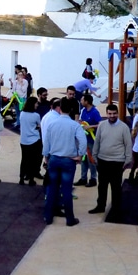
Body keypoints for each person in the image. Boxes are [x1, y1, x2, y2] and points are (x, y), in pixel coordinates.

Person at [42, 97, 87, 227]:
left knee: (52, 189)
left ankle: (48, 217)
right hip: (68, 160)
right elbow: (82, 141)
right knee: (66, 190)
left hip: (54, 159)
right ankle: (69, 218)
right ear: (71, 109)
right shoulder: (74, 125)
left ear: (59, 108)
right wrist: (80, 155)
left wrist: (46, 158)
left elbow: (47, 143)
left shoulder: (52, 124)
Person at [89, 104, 128, 222]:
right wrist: (94, 156)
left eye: (114, 113)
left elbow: (128, 144)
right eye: (109, 114)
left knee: (116, 188)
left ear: (117, 113)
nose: (112, 116)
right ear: (106, 114)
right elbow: (97, 142)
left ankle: (116, 210)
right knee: (102, 186)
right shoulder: (102, 126)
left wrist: (127, 160)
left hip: (117, 162)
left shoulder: (124, 127)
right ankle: (100, 206)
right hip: (102, 160)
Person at [75, 94, 100, 188]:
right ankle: (83, 177)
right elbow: (81, 120)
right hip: (84, 139)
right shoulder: (84, 111)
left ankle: (93, 178)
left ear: (87, 101)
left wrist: (90, 127)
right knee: (84, 159)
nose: (81, 102)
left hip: (91, 140)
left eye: (82, 100)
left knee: (91, 159)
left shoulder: (94, 112)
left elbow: (100, 124)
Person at [18, 96, 42, 186]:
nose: (37, 105)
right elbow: (39, 125)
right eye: (36, 103)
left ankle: (21, 178)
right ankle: (31, 179)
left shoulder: (22, 114)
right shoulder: (36, 115)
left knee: (24, 160)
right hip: (34, 140)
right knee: (33, 160)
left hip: (24, 140)